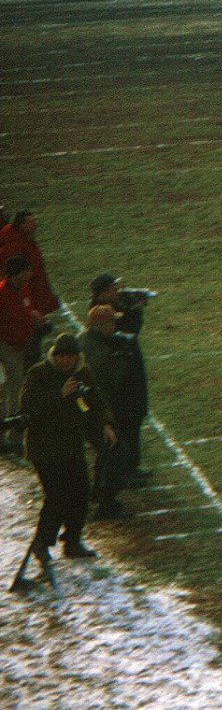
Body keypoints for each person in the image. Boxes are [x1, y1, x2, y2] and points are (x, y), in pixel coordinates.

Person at [20, 334, 115, 575]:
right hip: (45, 448)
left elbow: (95, 399)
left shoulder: (82, 373)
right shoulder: (39, 374)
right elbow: (29, 405)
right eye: (62, 357)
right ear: (55, 355)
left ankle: (72, 540)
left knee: (81, 493)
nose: (67, 362)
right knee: (56, 497)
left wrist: (105, 423)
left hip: (71, 445)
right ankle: (43, 542)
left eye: (71, 357)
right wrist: (59, 394)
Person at [80, 304, 146, 517]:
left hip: (91, 408)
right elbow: (107, 384)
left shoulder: (87, 341)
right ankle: (106, 503)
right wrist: (121, 359)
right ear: (101, 325)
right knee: (116, 452)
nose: (115, 326)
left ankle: (99, 492)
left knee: (106, 452)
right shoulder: (96, 350)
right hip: (93, 410)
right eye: (111, 322)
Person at [0, 255, 46, 458]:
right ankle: (9, 437)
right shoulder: (2, 293)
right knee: (13, 390)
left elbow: (25, 309)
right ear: (16, 273)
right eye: (27, 270)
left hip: (22, 346)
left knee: (18, 390)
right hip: (7, 347)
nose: (30, 273)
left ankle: (13, 436)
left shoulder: (23, 288)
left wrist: (34, 316)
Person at [0, 210, 56, 369]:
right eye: (31, 222)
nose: (36, 224)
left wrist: (33, 312)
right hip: (14, 342)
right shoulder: (15, 246)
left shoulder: (23, 240)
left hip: (30, 304)